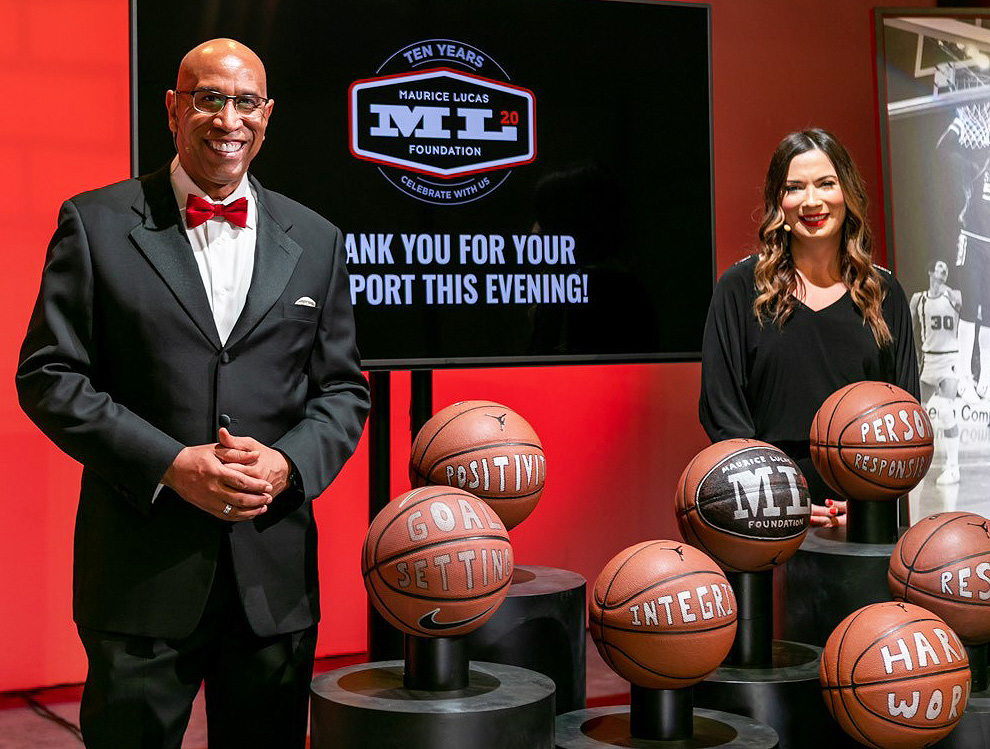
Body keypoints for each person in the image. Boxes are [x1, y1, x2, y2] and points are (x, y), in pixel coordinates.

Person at [15, 39, 370, 748]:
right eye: (209, 99)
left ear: (267, 115)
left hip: (272, 583)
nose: (228, 119)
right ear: (174, 110)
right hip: (139, 580)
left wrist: (287, 464)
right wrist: (171, 465)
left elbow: (341, 391)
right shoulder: (95, 223)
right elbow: (49, 376)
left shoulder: (318, 239)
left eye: (245, 102)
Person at [699, 129, 920, 528]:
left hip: (868, 510)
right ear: (778, 202)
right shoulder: (739, 289)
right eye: (794, 188)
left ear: (847, 193)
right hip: (767, 512)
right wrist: (781, 496)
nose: (811, 201)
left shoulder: (884, 293)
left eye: (825, 184)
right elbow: (722, 411)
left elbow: (906, 415)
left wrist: (873, 497)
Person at [909, 259, 962, 485]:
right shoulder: (918, 299)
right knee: (916, 413)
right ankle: (915, 461)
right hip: (929, 360)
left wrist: (946, 290)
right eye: (940, 267)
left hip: (950, 358)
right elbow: (908, 327)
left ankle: (953, 468)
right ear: (930, 272)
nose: (944, 270)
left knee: (946, 410)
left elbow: (963, 306)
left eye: (946, 269)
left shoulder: (954, 296)